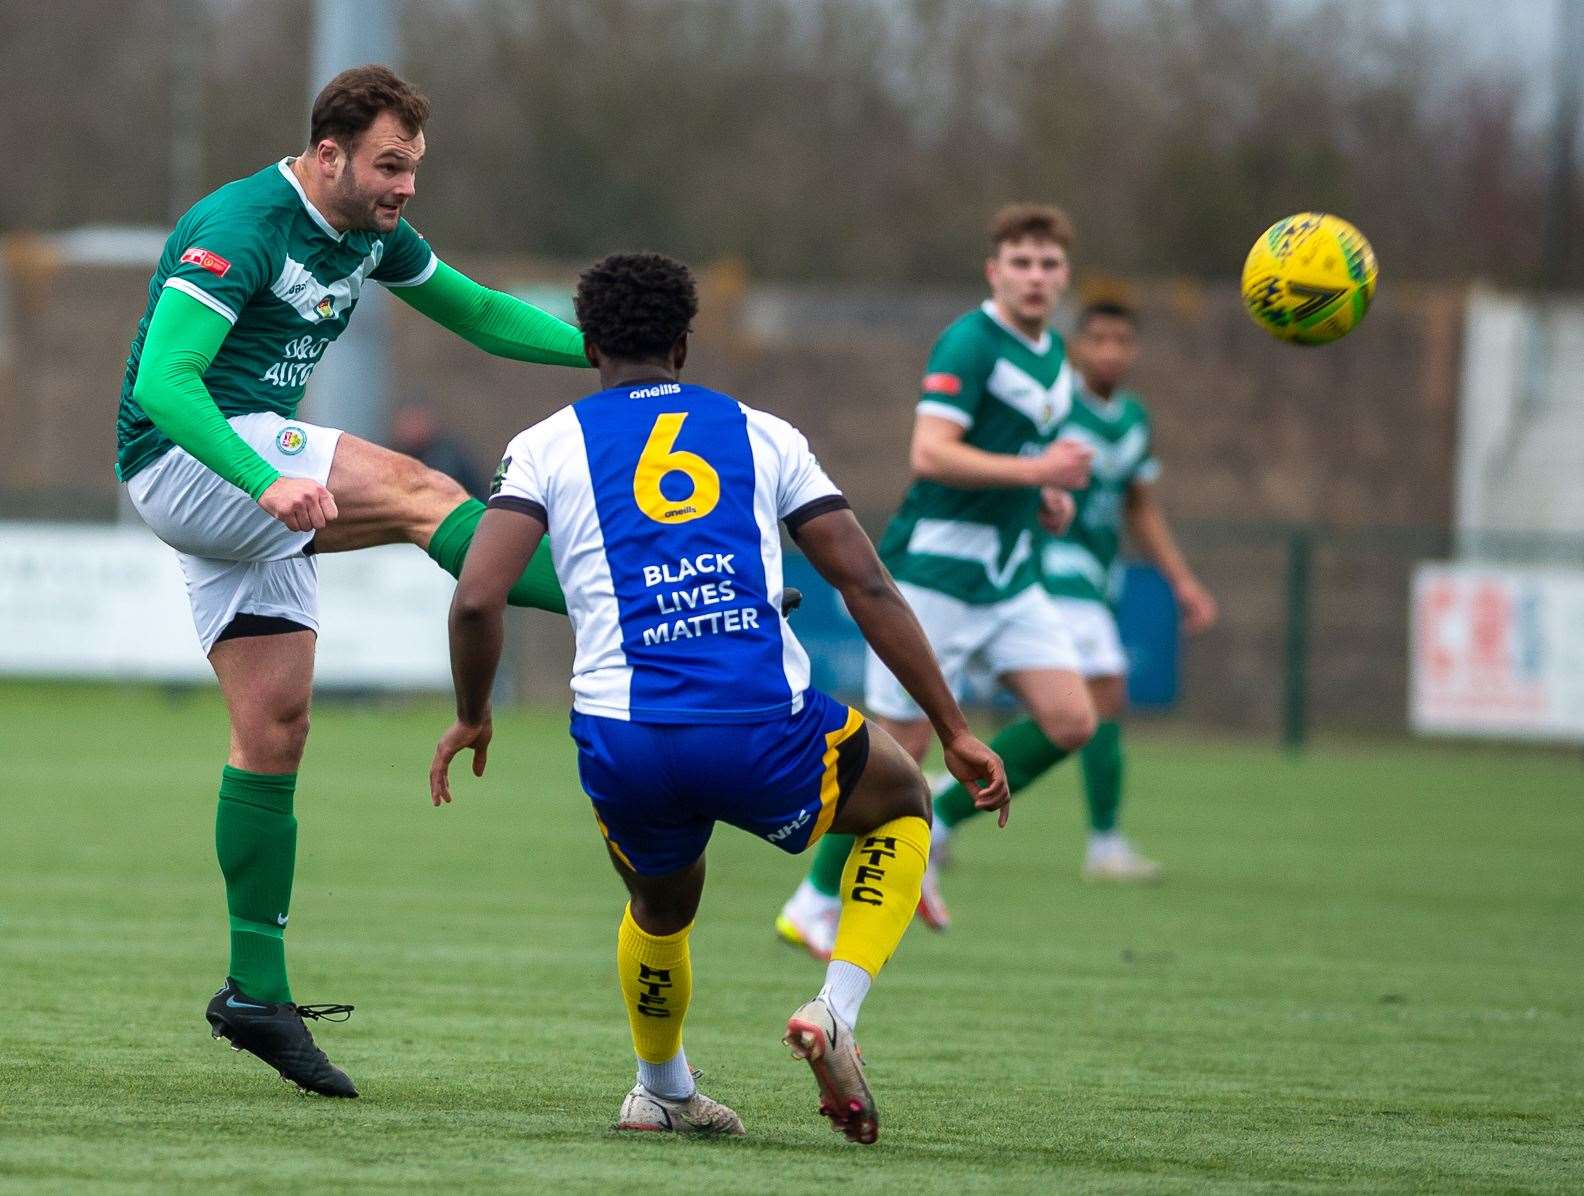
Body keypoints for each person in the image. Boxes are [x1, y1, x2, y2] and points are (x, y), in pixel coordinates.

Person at [429, 253, 1008, 1144]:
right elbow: (868, 586)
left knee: (661, 906)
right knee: (903, 802)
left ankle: (661, 1086)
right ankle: (835, 1011)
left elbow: (476, 596)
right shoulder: (761, 432)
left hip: (624, 738)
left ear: (587, 346)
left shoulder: (545, 443)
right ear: (685, 345)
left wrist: (473, 712)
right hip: (759, 728)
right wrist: (955, 729)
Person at [116, 64, 593, 1098]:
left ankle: (253, 989)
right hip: (190, 457)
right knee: (424, 489)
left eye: (413, 168)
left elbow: (475, 312)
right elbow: (163, 382)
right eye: (389, 165)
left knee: (275, 730)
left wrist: (610, 351)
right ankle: (639, 601)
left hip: (247, 480)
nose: (405, 186)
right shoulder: (240, 224)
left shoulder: (373, 231)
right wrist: (265, 480)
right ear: (327, 155)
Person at [776, 203, 1097, 955]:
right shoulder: (972, 342)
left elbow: (1016, 456)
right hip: (938, 575)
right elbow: (932, 453)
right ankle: (813, 900)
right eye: (1021, 262)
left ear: (1064, 276)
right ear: (995, 271)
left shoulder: (1051, 353)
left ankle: (940, 823)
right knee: (902, 745)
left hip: (1009, 577)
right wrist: (1038, 470)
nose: (1035, 276)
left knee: (1071, 718)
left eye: (1049, 264)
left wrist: (1040, 494)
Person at [927, 301, 1219, 885]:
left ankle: (946, 807)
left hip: (1096, 575)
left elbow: (1139, 506)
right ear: (1078, 347)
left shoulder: (1133, 419)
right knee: (1102, 693)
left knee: (1081, 713)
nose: (1109, 351)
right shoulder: (1054, 403)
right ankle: (1101, 843)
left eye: (1121, 340)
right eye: (1098, 339)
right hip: (1049, 565)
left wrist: (1182, 581)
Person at [390, 401, 489, 499]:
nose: (412, 428)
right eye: (408, 421)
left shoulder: (450, 458)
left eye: (417, 421)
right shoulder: (392, 456)